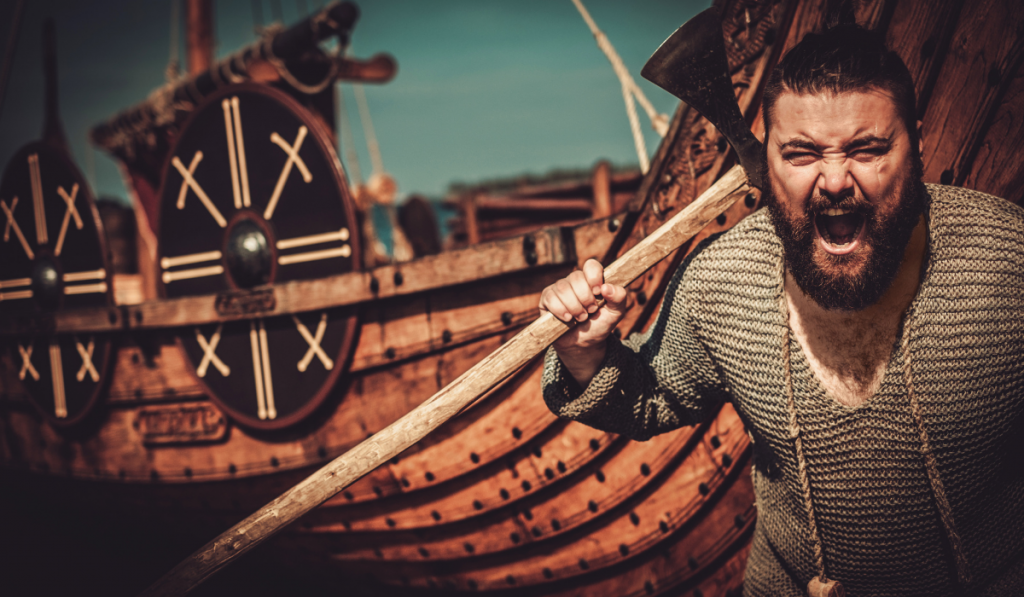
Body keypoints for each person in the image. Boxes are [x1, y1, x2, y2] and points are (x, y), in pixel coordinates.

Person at [539, 23, 1024, 597]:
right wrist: (583, 356)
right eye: (801, 154)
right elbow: (651, 398)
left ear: (914, 144)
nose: (836, 181)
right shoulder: (721, 280)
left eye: (867, 149)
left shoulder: (1005, 260)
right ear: (767, 157)